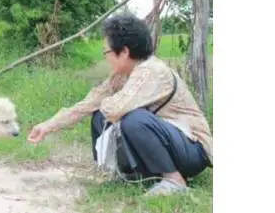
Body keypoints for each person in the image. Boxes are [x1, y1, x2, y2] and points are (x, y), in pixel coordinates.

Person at [28, 13, 212, 196]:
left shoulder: (152, 71)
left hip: (192, 150)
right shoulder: (121, 76)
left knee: (133, 119)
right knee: (100, 116)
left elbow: (115, 109)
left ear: (124, 52)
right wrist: (47, 126)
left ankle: (174, 181)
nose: (105, 58)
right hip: (169, 144)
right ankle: (124, 174)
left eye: (106, 52)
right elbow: (87, 104)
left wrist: (105, 102)